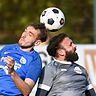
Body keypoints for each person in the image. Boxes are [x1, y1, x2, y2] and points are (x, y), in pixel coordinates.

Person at [0, 23, 48, 96]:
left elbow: (26, 91)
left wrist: (12, 72)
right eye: (25, 31)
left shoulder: (35, 60)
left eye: (30, 34)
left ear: (37, 42)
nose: (24, 35)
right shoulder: (7, 48)